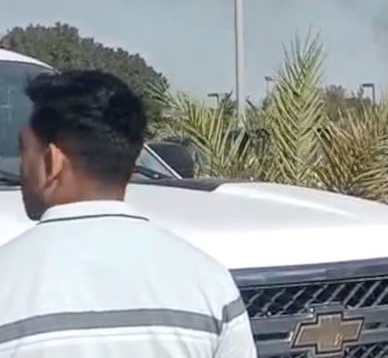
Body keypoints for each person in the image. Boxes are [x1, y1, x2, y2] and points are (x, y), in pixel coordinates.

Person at [0, 70, 256, 357]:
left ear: (52, 161)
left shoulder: (7, 281)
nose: (21, 167)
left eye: (23, 151)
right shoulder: (210, 283)